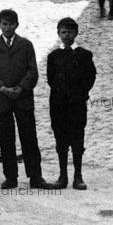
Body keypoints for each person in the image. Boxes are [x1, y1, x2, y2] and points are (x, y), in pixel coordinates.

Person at [0, 9, 55, 190]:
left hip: (23, 98)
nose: (8, 27)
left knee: (29, 138)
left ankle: (35, 176)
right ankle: (10, 177)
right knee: (6, 139)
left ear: (17, 24)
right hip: (3, 100)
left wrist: (21, 87)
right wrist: (3, 88)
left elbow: (33, 71)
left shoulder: (26, 45)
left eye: (11, 24)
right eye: (4, 24)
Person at [47, 17, 96, 190]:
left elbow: (90, 77)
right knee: (61, 140)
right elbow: (51, 79)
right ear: (58, 33)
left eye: (70, 32)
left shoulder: (84, 55)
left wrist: (79, 93)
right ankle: (62, 176)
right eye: (64, 32)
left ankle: (78, 176)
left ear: (76, 33)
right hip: (59, 105)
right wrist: (62, 94)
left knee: (77, 139)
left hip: (76, 105)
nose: (67, 35)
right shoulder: (53, 56)